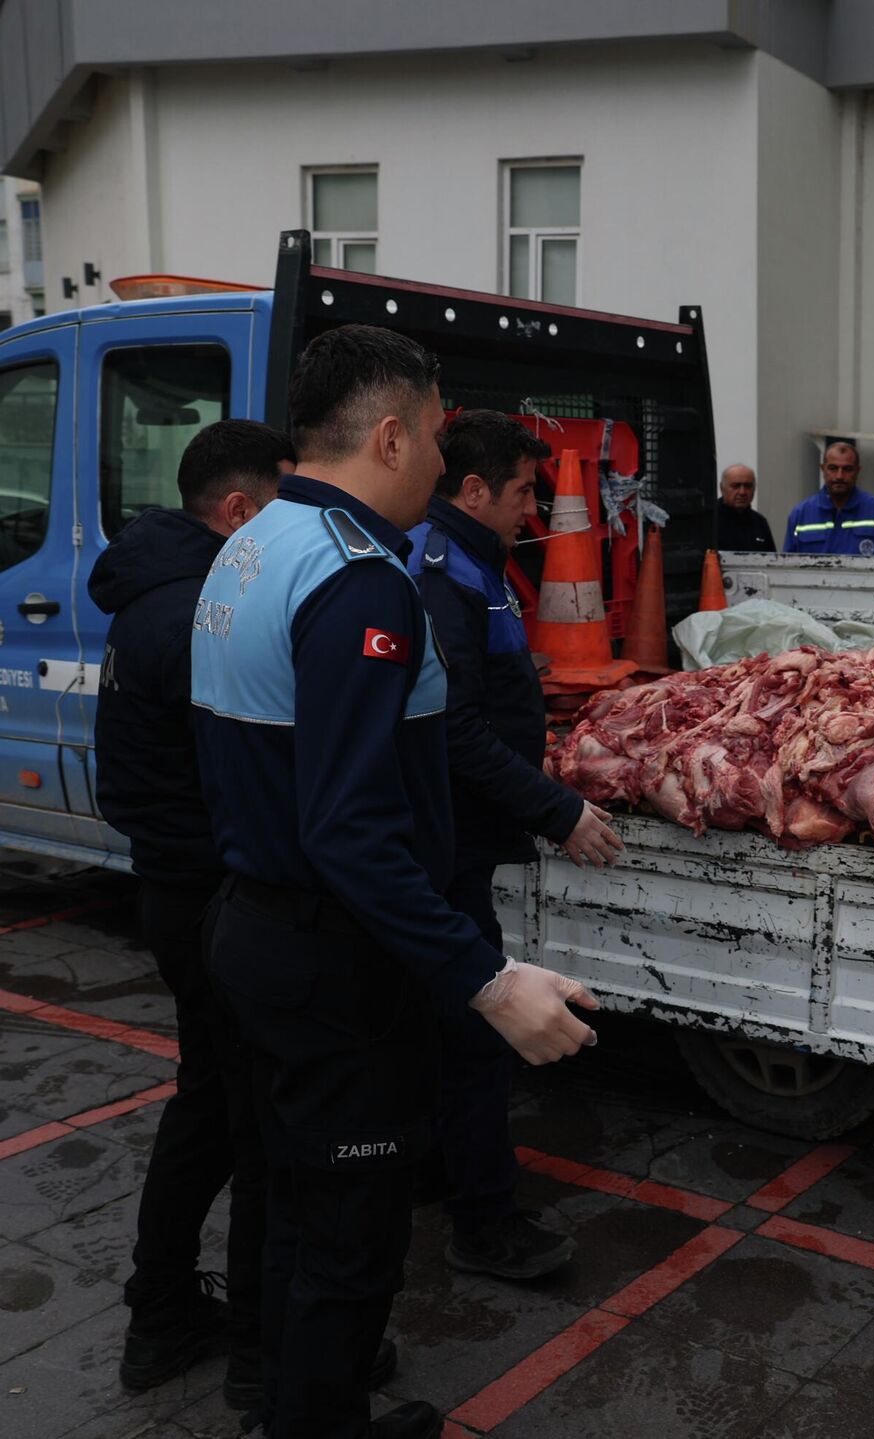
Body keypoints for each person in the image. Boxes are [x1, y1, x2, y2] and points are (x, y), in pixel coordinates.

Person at [191, 324, 601, 1439]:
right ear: (387, 436)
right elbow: (350, 828)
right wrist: (487, 978)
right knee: (351, 1238)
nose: (435, 456)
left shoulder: (253, 540)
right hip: (334, 957)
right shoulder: (360, 579)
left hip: (256, 923)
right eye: (429, 433)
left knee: (294, 1201)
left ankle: (287, 1401)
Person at [94, 421, 290, 1403]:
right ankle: (261, 1350)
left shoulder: (159, 592)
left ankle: (163, 1312)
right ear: (238, 511)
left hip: (173, 886)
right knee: (251, 1121)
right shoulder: (199, 610)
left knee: (208, 1104)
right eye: (285, 506)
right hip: (212, 892)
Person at [405, 409, 622, 1281]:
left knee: (440, 1023)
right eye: (526, 491)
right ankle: (485, 1222)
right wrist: (557, 809)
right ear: (474, 490)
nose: (536, 509)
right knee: (475, 1032)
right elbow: (452, 727)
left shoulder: (477, 560)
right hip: (446, 842)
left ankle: (435, 1168)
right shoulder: (442, 571)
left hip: (463, 835)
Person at [784, 440, 874, 555]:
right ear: (823, 469)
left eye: (847, 469)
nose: (839, 476)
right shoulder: (800, 515)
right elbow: (787, 564)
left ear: (857, 471)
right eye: (833, 468)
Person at [713, 463, 776, 552]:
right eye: (735, 486)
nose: (742, 492)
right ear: (722, 488)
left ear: (754, 489)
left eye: (748, 486)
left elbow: (771, 559)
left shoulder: (760, 523)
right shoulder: (709, 522)